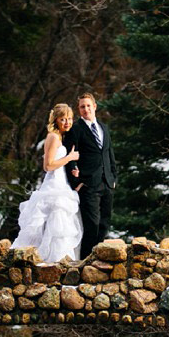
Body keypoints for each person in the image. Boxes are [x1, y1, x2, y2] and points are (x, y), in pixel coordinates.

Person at [12, 103, 83, 262]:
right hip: (53, 186)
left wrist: (72, 169)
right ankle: (48, 260)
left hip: (61, 183)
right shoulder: (52, 136)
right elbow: (48, 166)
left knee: (59, 227)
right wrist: (69, 158)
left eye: (70, 119)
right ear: (56, 120)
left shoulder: (60, 137)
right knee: (52, 223)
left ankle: (59, 262)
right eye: (63, 119)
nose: (67, 122)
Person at [63, 91, 117, 259]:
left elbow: (109, 154)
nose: (86, 109)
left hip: (107, 182)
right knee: (91, 225)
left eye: (88, 106)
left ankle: (98, 259)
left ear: (95, 106)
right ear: (79, 110)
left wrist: (114, 178)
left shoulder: (103, 127)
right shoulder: (76, 129)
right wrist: (76, 182)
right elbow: (69, 156)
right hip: (88, 184)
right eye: (82, 107)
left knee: (104, 223)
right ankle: (86, 262)